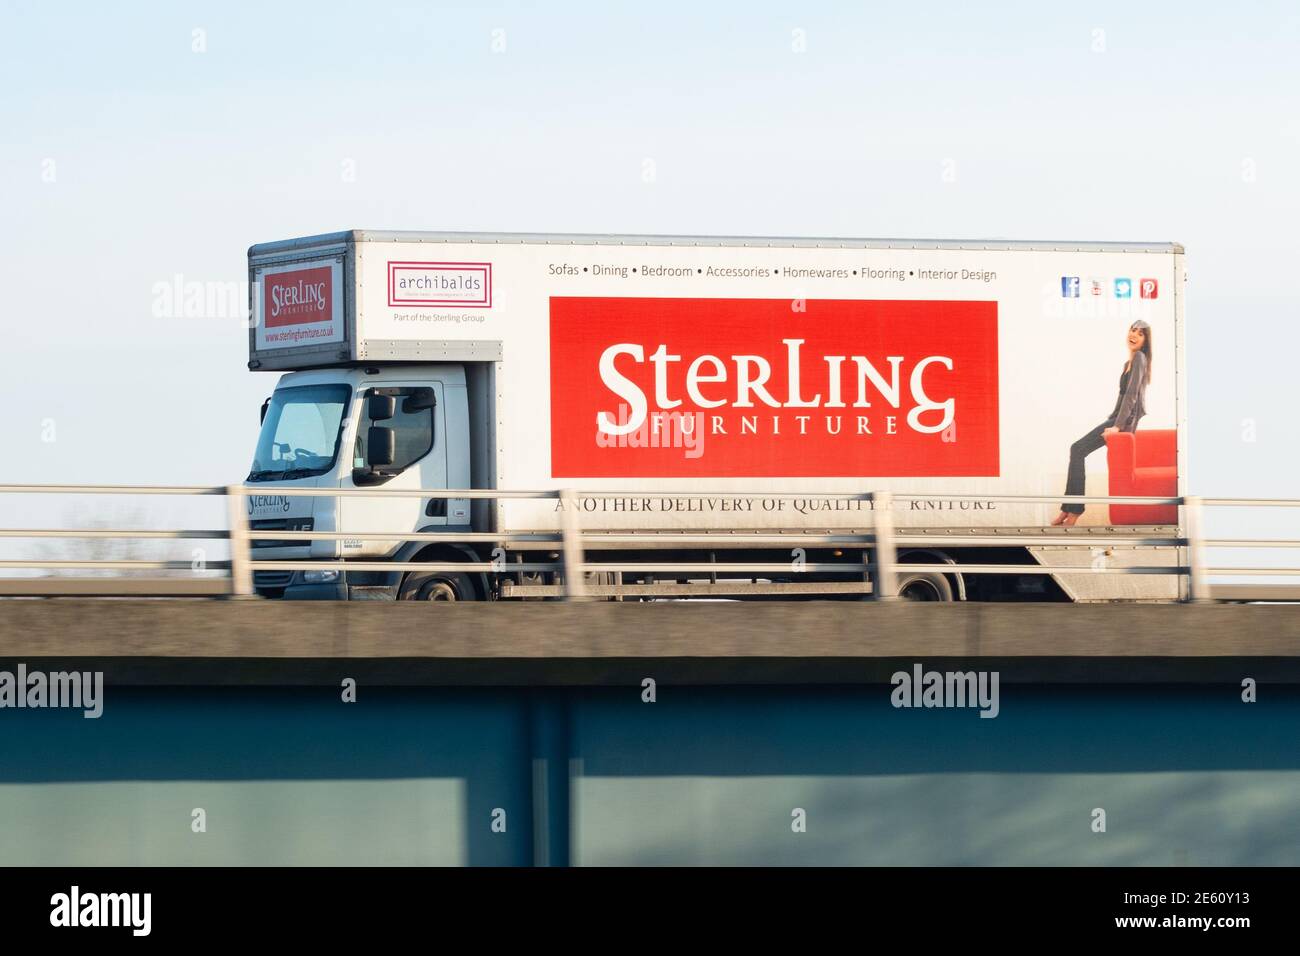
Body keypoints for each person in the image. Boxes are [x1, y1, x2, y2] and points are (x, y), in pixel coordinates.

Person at [1051, 320, 1152, 527]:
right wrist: (1113, 417)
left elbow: (1132, 396)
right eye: (1132, 330)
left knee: (1077, 449)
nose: (1133, 335)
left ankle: (1073, 510)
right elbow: (1123, 395)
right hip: (1117, 418)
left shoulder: (1140, 358)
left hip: (1124, 423)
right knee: (1077, 450)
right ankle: (1068, 508)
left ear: (1145, 341)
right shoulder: (1129, 363)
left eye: (1140, 334)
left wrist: (1117, 425)